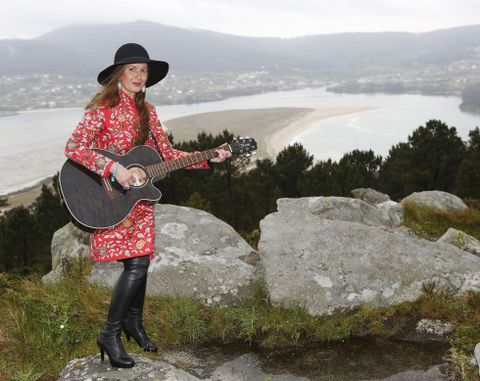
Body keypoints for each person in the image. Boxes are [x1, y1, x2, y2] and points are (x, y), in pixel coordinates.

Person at [64, 43, 231, 368]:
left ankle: (133, 324)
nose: (139, 76)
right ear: (119, 74)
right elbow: (74, 147)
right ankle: (110, 334)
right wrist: (114, 169)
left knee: (138, 262)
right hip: (107, 197)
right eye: (132, 70)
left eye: (143, 70)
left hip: (138, 199)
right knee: (137, 265)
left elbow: (167, 156)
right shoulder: (102, 110)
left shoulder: (148, 112)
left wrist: (209, 156)